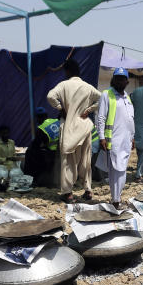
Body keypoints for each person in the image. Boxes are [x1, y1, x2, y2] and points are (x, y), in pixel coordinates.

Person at [47, 58, 101, 203]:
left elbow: (50, 96)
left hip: (69, 126)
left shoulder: (63, 85)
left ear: (67, 71)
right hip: (84, 126)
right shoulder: (87, 87)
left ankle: (68, 193)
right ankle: (88, 190)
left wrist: (61, 108)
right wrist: (89, 110)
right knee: (86, 160)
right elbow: (102, 99)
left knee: (68, 161)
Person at [95, 68, 135, 206]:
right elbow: (101, 117)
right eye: (117, 78)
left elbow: (130, 119)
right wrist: (101, 137)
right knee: (115, 172)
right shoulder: (107, 94)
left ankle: (117, 197)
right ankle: (115, 200)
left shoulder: (127, 98)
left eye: (122, 78)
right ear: (113, 79)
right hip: (113, 140)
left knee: (122, 171)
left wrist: (133, 136)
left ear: (127, 81)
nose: (120, 81)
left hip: (126, 141)